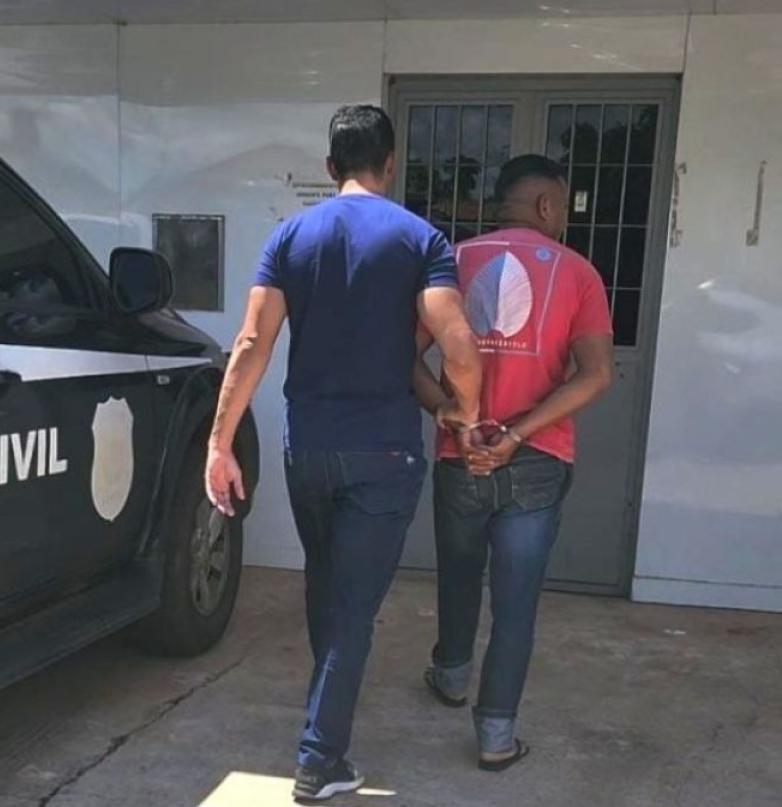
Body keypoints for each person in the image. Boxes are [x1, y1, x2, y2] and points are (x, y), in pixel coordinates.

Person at [204, 105, 482, 801]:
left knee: (326, 585)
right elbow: (458, 343)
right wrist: (465, 411)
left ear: (330, 168)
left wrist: (219, 442)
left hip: (310, 448)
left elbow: (251, 343)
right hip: (383, 454)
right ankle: (319, 760)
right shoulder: (421, 239)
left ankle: (323, 722)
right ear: (390, 164)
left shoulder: (290, 237)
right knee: (353, 605)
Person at [414, 154, 614, 772]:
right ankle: (496, 736)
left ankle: (451, 675)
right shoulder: (578, 272)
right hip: (536, 459)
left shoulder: (450, 261)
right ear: (548, 205)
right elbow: (597, 374)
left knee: (458, 573)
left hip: (460, 455)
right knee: (516, 599)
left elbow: (402, 357)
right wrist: (519, 433)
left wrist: (452, 415)